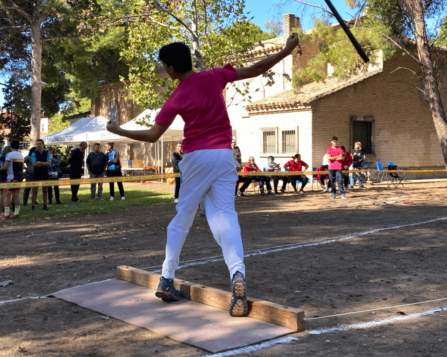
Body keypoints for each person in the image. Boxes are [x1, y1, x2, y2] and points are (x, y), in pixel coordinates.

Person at [105, 33, 301, 316]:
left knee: (182, 216)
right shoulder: (215, 76)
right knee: (225, 216)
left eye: (164, 66)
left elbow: (152, 135)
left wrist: (117, 130)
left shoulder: (176, 96)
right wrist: (286, 50)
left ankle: (167, 278)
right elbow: (256, 69)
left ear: (171, 69)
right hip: (223, 156)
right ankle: (237, 274)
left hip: (196, 157)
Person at [0, 140, 24, 219]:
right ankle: (16, 213)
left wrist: (1, 168)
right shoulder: (21, 155)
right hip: (19, 178)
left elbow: (5, 167)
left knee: (6, 195)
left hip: (11, 178)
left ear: (11, 146)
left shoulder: (9, 155)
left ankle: (6, 214)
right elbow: (22, 167)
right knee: (16, 196)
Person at [30, 139, 51, 212]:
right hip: (36, 174)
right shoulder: (34, 153)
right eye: (37, 144)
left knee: (45, 191)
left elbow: (49, 163)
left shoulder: (47, 153)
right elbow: (34, 164)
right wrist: (44, 163)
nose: (38, 145)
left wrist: (40, 162)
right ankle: (33, 206)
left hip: (45, 174)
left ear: (43, 144)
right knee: (34, 191)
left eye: (40, 144)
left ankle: (45, 205)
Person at [0, 146, 12, 217]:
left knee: (5, 194)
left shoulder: (0, 158)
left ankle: (6, 210)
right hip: (4, 177)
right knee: (4, 195)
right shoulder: (7, 159)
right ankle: (0, 212)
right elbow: (5, 167)